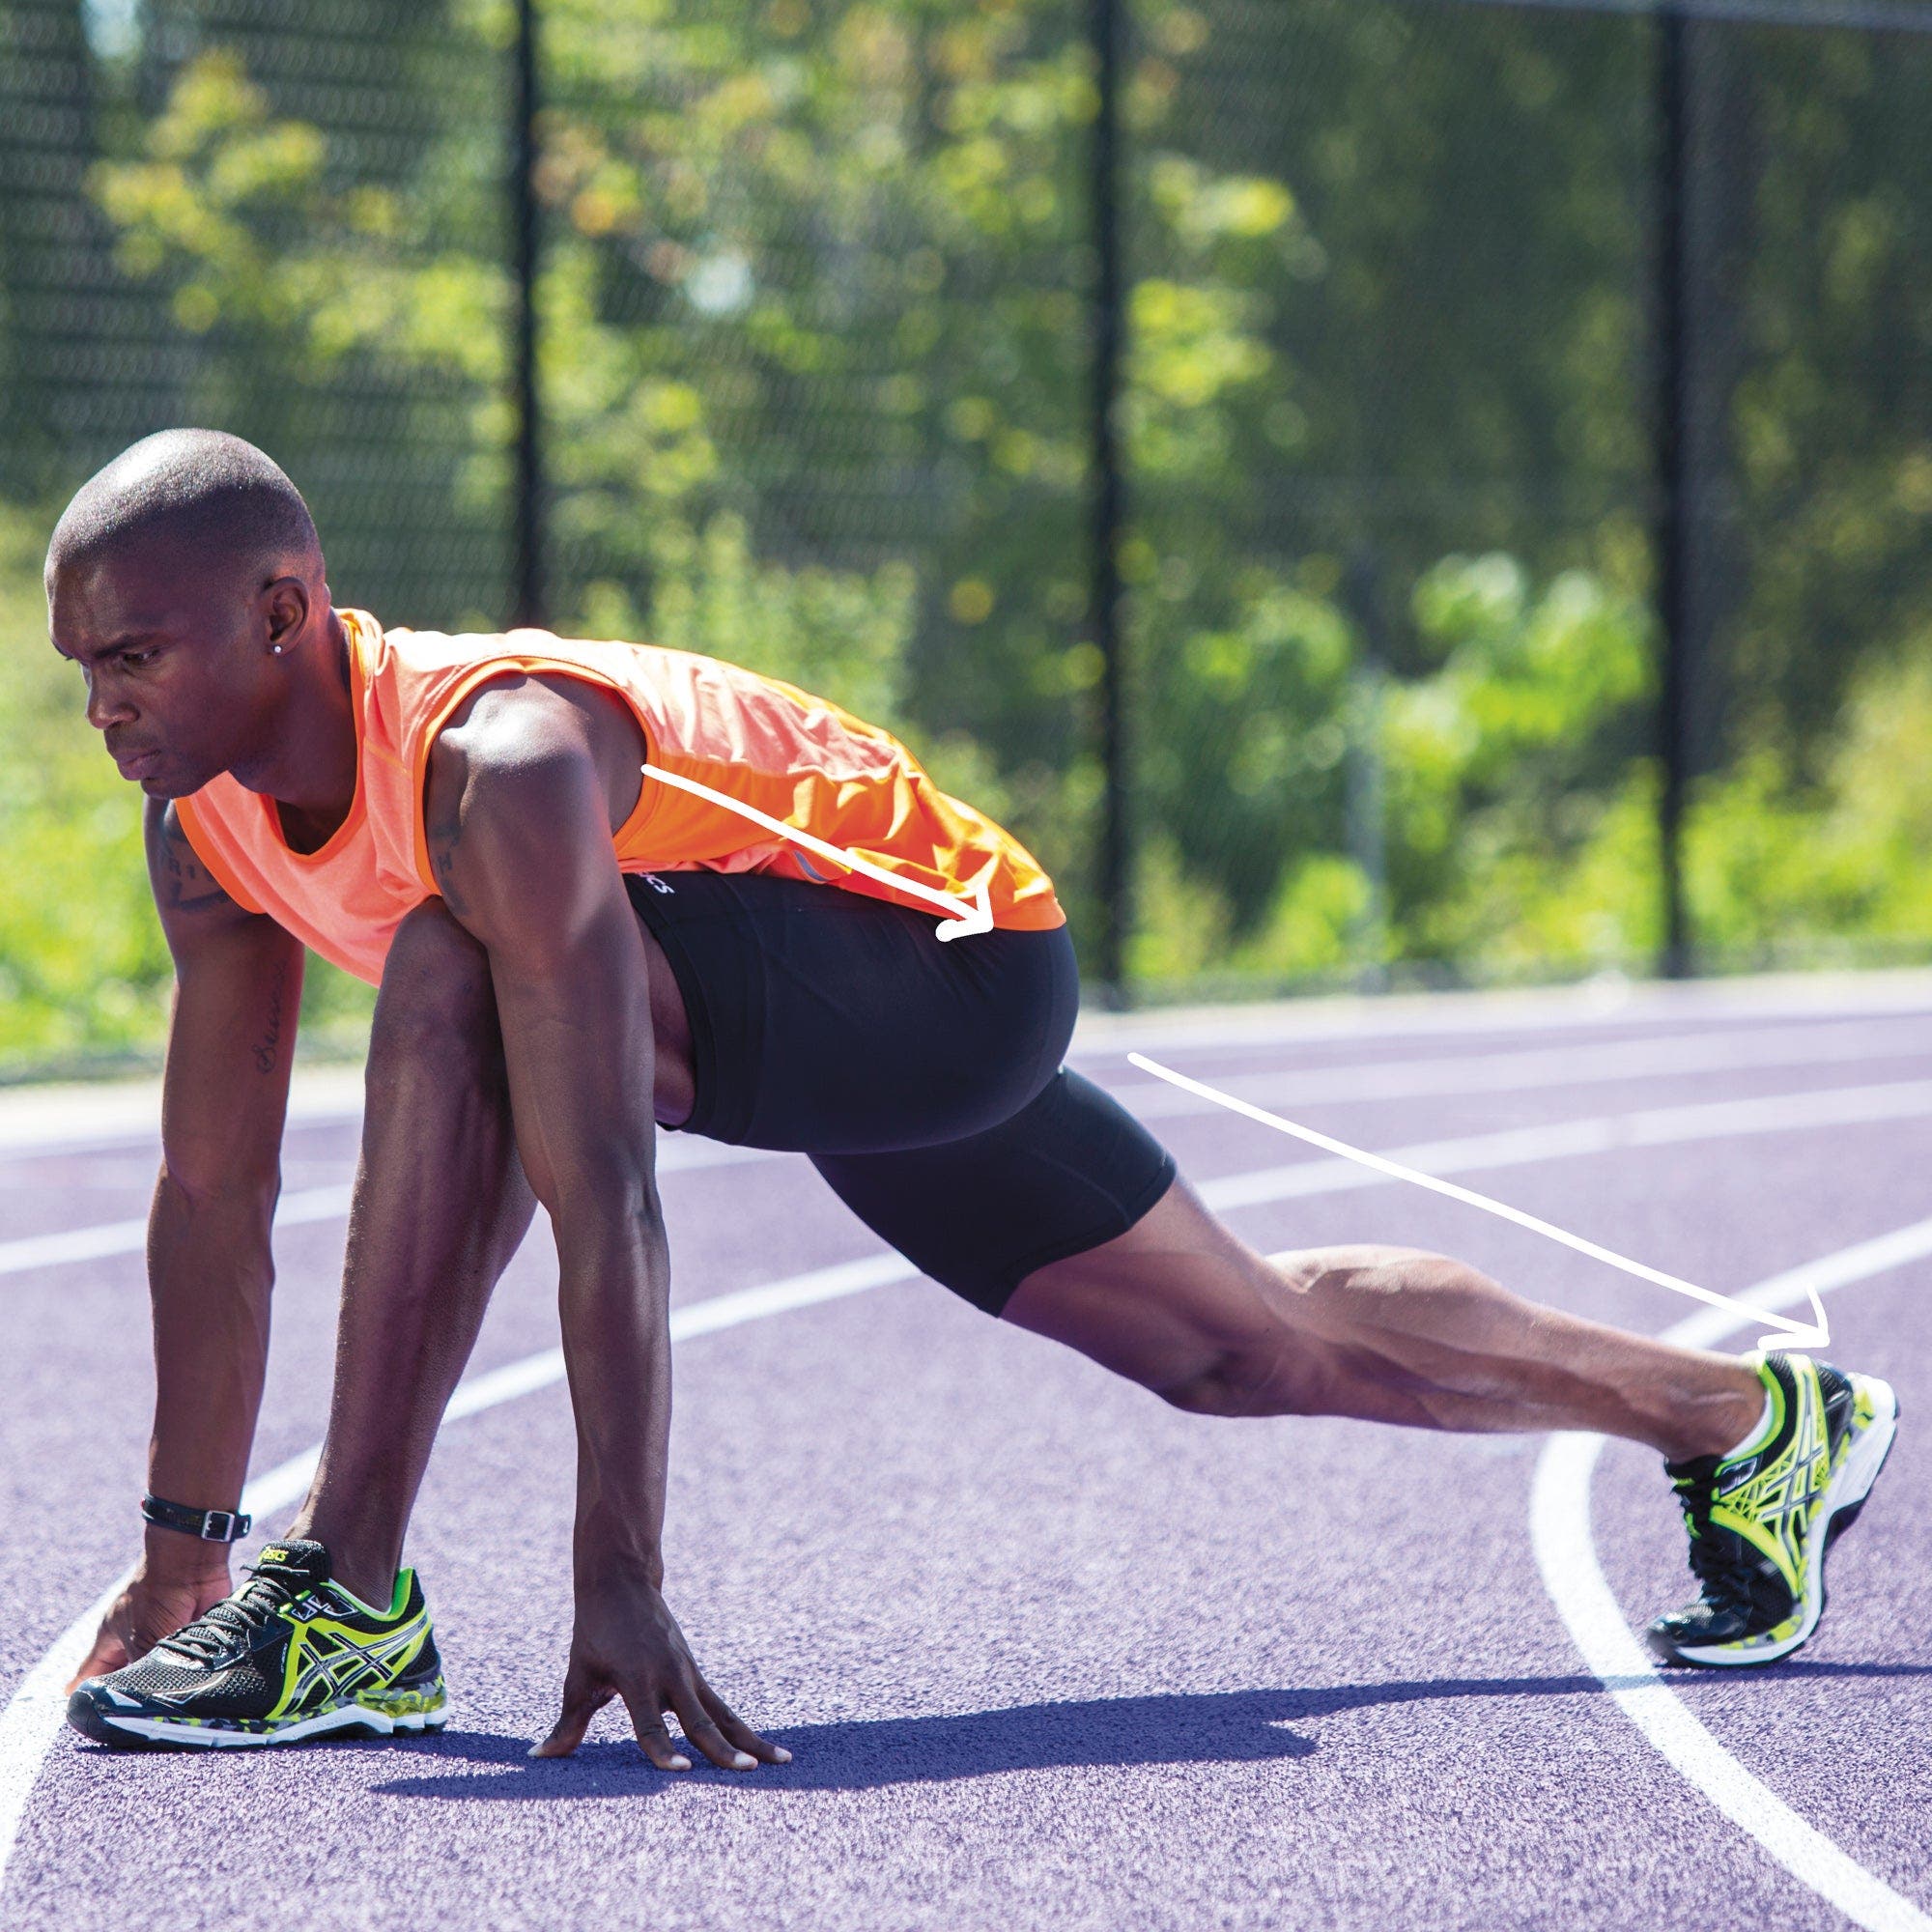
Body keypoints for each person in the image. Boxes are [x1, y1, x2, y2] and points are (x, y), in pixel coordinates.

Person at [48, 429, 1896, 1761]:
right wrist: (174, 1560)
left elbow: (600, 1174)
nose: (105, 708)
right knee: (1240, 1346)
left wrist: (616, 1568)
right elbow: (210, 1200)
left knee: (454, 965)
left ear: (288, 610)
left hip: (941, 977)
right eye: (84, 671)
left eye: (136, 656)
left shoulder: (495, 765)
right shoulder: (201, 824)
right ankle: (1747, 1422)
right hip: (800, 1002)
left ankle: (355, 1595)